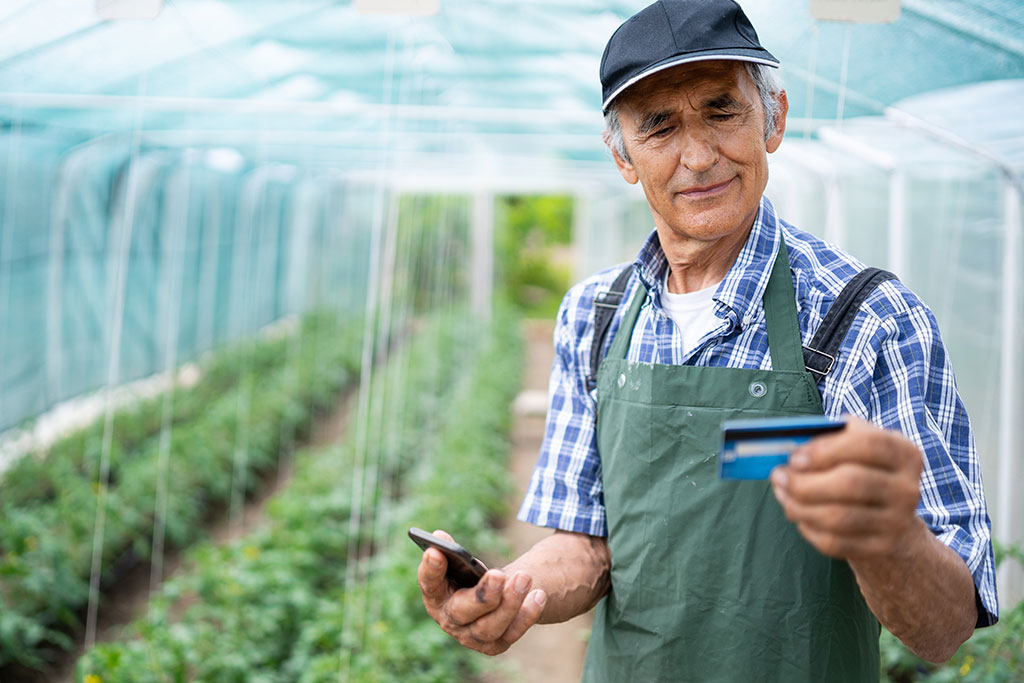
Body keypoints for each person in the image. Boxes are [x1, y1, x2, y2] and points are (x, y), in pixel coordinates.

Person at [416, 1, 999, 680]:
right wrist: (510, 590)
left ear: (773, 118)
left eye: (722, 110)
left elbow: (946, 628)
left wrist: (891, 537)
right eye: (659, 127)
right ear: (623, 156)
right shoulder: (595, 315)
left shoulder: (867, 320)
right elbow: (588, 543)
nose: (698, 155)